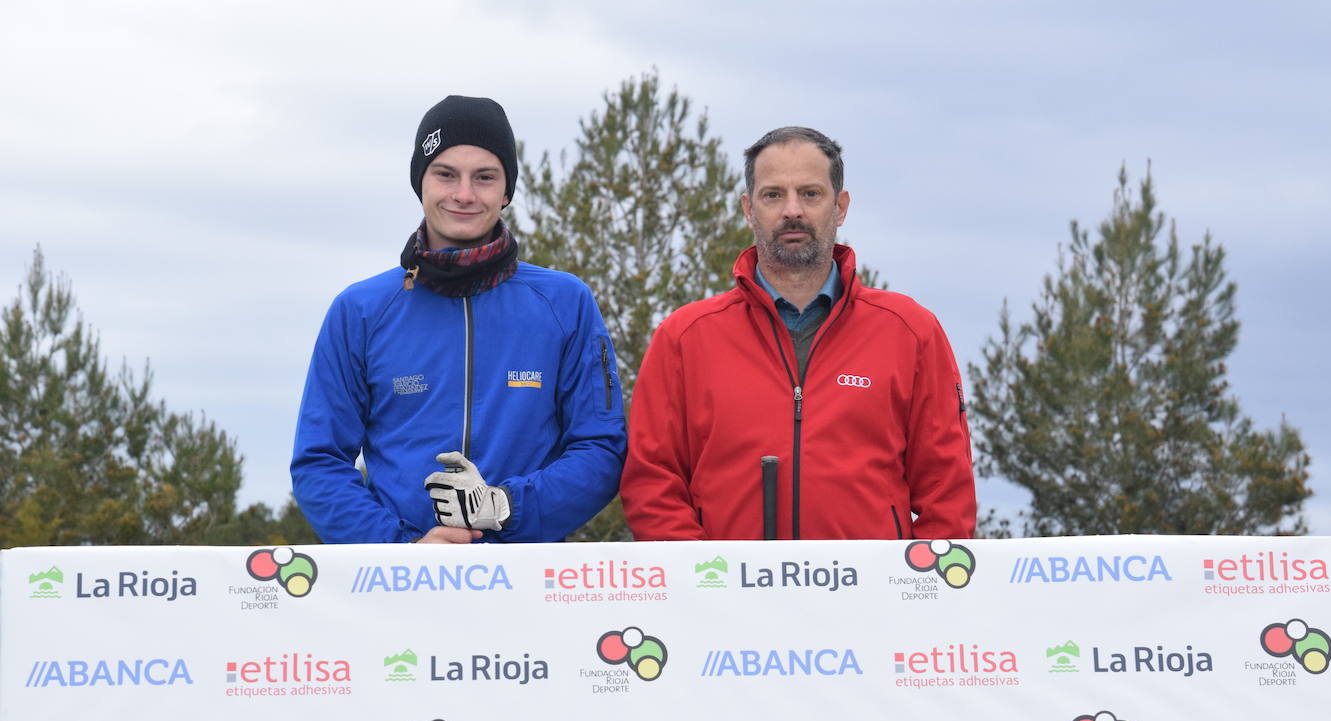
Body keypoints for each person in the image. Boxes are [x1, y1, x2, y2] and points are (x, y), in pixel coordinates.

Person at [291, 96, 626, 544]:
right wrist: (401, 549)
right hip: (399, 585)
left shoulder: (565, 302)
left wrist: (506, 506)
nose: (464, 194)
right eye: (445, 174)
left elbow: (601, 447)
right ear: (420, 183)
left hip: (531, 586)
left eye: (484, 177)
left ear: (506, 191)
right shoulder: (360, 310)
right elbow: (319, 462)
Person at [621, 126, 975, 540]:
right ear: (748, 209)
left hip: (870, 600)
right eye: (773, 195)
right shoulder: (685, 337)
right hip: (728, 598)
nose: (792, 210)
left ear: (840, 207)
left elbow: (947, 490)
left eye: (810, 194)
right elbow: (652, 484)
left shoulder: (910, 331)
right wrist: (706, 587)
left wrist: (913, 590)